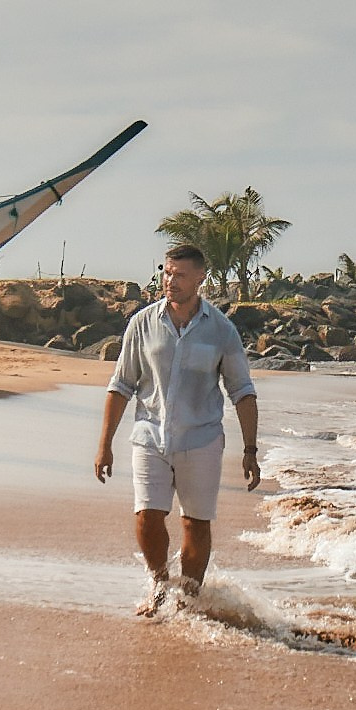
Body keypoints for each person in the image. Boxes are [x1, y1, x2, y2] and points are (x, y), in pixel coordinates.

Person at [95, 242, 260, 614]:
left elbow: (242, 391)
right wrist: (104, 444)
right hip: (150, 436)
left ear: (201, 278)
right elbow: (121, 384)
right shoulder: (142, 324)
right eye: (167, 273)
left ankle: (188, 597)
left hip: (201, 440)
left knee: (195, 524)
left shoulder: (221, 330)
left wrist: (250, 450)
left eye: (180, 275)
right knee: (147, 516)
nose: (171, 281)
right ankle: (158, 583)